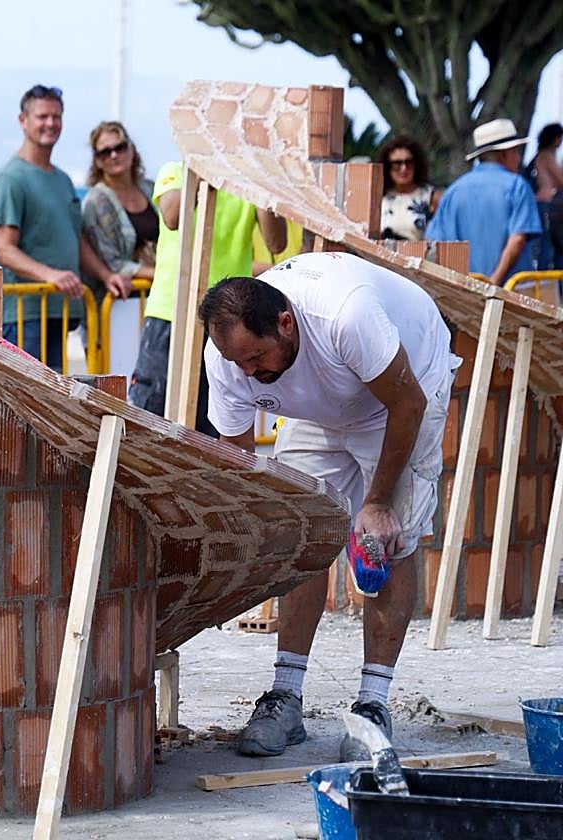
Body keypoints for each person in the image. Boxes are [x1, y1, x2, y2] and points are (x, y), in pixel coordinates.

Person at [198, 252, 454, 761]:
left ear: (286, 324)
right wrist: (252, 529)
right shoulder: (228, 359)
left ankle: (372, 705)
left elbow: (408, 404)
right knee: (300, 534)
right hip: (319, 405)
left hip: (399, 393)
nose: (249, 372)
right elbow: (240, 460)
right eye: (239, 363)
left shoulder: (346, 316)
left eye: (256, 358)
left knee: (389, 542)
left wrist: (377, 503)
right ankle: (285, 696)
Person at [128, 162, 286, 434]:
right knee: (152, 415)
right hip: (171, 313)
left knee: (214, 422)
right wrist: (202, 165)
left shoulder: (246, 183)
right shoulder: (176, 170)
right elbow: (172, 216)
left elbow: (276, 243)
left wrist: (261, 186)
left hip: (229, 322)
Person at [0, 85, 130, 371]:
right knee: (26, 405)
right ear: (23, 121)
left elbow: (74, 238)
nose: (51, 124)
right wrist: (50, 275)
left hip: (60, 310)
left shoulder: (63, 180)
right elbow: (3, 249)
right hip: (25, 314)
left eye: (56, 116)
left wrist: (106, 275)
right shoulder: (10, 179)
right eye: (42, 116)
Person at [426, 118, 541, 285]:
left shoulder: (453, 192)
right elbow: (518, 240)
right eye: (517, 151)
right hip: (512, 297)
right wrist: (492, 285)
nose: (519, 158)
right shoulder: (517, 186)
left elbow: (435, 242)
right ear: (503, 154)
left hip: (462, 297)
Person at [81, 120, 156, 285]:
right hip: (120, 299)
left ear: (131, 149)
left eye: (119, 147)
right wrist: (159, 275)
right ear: (97, 161)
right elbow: (111, 262)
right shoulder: (96, 202)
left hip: (159, 294)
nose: (114, 155)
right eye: (105, 152)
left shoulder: (151, 188)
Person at [376, 135, 440, 241]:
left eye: (408, 163)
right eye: (397, 164)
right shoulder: (377, 198)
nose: (403, 169)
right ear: (387, 167)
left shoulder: (432, 198)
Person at [528, 123, 563, 271]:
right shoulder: (546, 156)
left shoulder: (540, 155)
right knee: (547, 247)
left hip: (543, 204)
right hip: (547, 205)